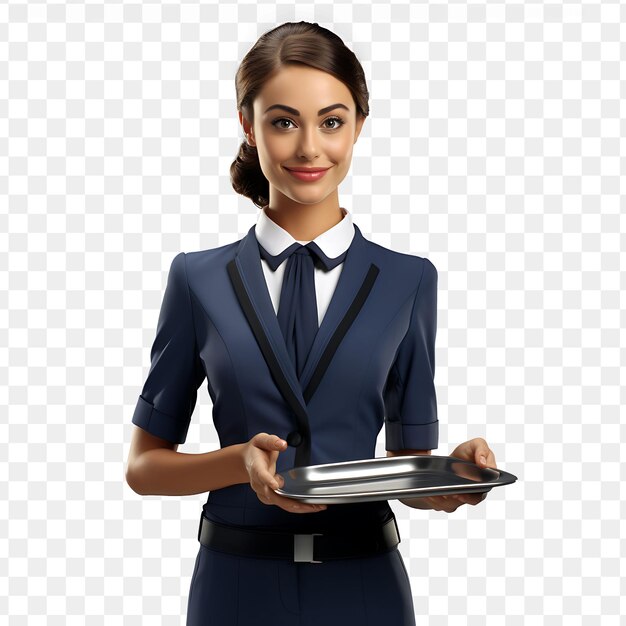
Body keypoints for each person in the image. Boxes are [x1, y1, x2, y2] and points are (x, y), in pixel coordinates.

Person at [125, 21, 498, 626]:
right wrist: (237, 462)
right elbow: (143, 468)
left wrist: (453, 477)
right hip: (234, 587)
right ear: (247, 125)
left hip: (365, 585)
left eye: (331, 122)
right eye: (283, 121)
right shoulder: (197, 279)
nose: (308, 150)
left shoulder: (409, 280)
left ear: (358, 126)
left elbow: (406, 468)